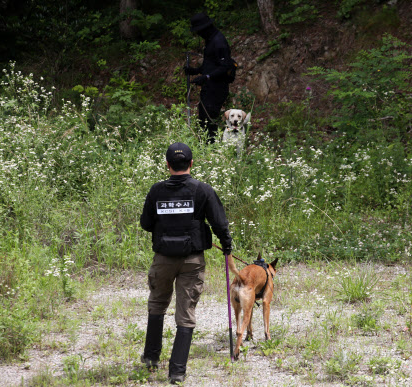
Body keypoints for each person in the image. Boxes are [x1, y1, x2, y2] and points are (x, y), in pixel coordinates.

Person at [139, 142, 232, 384]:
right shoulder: (203, 190)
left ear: (167, 165)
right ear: (191, 164)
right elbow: (220, 224)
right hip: (192, 260)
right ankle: (177, 372)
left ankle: (150, 359)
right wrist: (227, 246)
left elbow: (146, 224)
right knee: (186, 313)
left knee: (157, 305)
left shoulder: (156, 191)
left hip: (163, 260)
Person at [185, 12, 233, 143]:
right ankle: (205, 147)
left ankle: (211, 149)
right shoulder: (210, 40)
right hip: (209, 88)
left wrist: (206, 77)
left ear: (206, 28)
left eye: (199, 31)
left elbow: (225, 66)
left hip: (217, 89)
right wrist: (195, 71)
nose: (198, 34)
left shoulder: (219, 42)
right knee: (203, 119)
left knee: (209, 122)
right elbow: (211, 64)